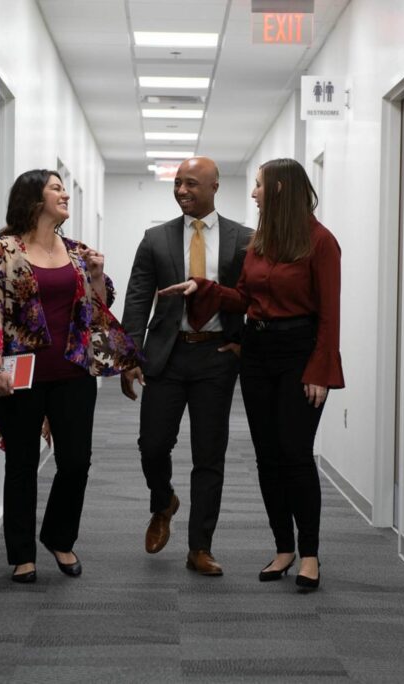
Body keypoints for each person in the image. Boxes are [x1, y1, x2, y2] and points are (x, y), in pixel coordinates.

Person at [158, 158, 344, 591]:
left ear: (279, 190)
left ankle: (310, 553)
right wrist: (202, 288)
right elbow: (243, 297)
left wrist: (320, 369)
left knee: (295, 454)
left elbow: (330, 316)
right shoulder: (259, 243)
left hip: (300, 354)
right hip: (258, 355)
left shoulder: (320, 242)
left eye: (259, 186)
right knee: (267, 456)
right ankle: (283, 547)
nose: (254, 193)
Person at [0, 169, 141, 584]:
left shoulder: (77, 251)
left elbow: (98, 307)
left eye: (64, 188)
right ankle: (22, 555)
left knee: (76, 461)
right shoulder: (3, 251)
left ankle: (60, 539)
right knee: (22, 463)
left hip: (74, 372)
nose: (64, 194)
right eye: (56, 188)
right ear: (33, 198)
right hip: (19, 374)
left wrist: (97, 275)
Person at [120, 156, 254, 576]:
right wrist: (129, 356)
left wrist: (241, 343)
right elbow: (138, 298)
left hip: (216, 357)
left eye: (191, 184)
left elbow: (257, 297)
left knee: (209, 453)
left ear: (215, 186)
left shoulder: (243, 239)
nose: (181, 191)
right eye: (177, 183)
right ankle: (163, 501)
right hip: (167, 354)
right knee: (153, 444)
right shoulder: (156, 239)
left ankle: (200, 547)